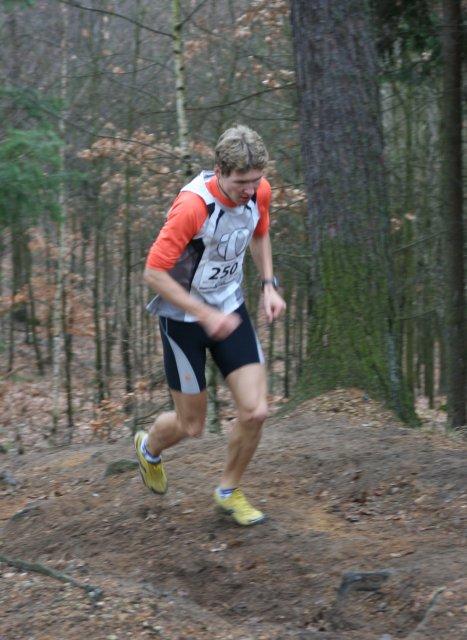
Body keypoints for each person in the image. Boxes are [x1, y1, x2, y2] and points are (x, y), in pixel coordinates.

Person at [134, 124, 286, 526]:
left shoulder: (259, 192)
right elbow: (153, 273)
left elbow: (260, 233)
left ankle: (228, 492)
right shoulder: (192, 207)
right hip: (183, 319)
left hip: (229, 309)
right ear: (219, 170)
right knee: (192, 425)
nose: (250, 190)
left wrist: (268, 285)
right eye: (241, 182)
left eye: (256, 180)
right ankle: (149, 448)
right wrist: (204, 314)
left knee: (255, 411)